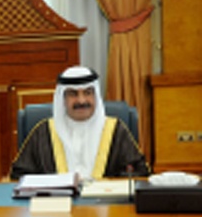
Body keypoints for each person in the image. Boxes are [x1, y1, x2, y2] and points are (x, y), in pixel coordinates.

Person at [10, 66, 149, 180]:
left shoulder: (116, 130)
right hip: (57, 204)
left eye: (88, 93)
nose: (81, 101)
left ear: (95, 96)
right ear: (63, 99)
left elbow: (139, 174)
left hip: (105, 204)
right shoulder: (43, 132)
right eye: (73, 94)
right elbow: (19, 176)